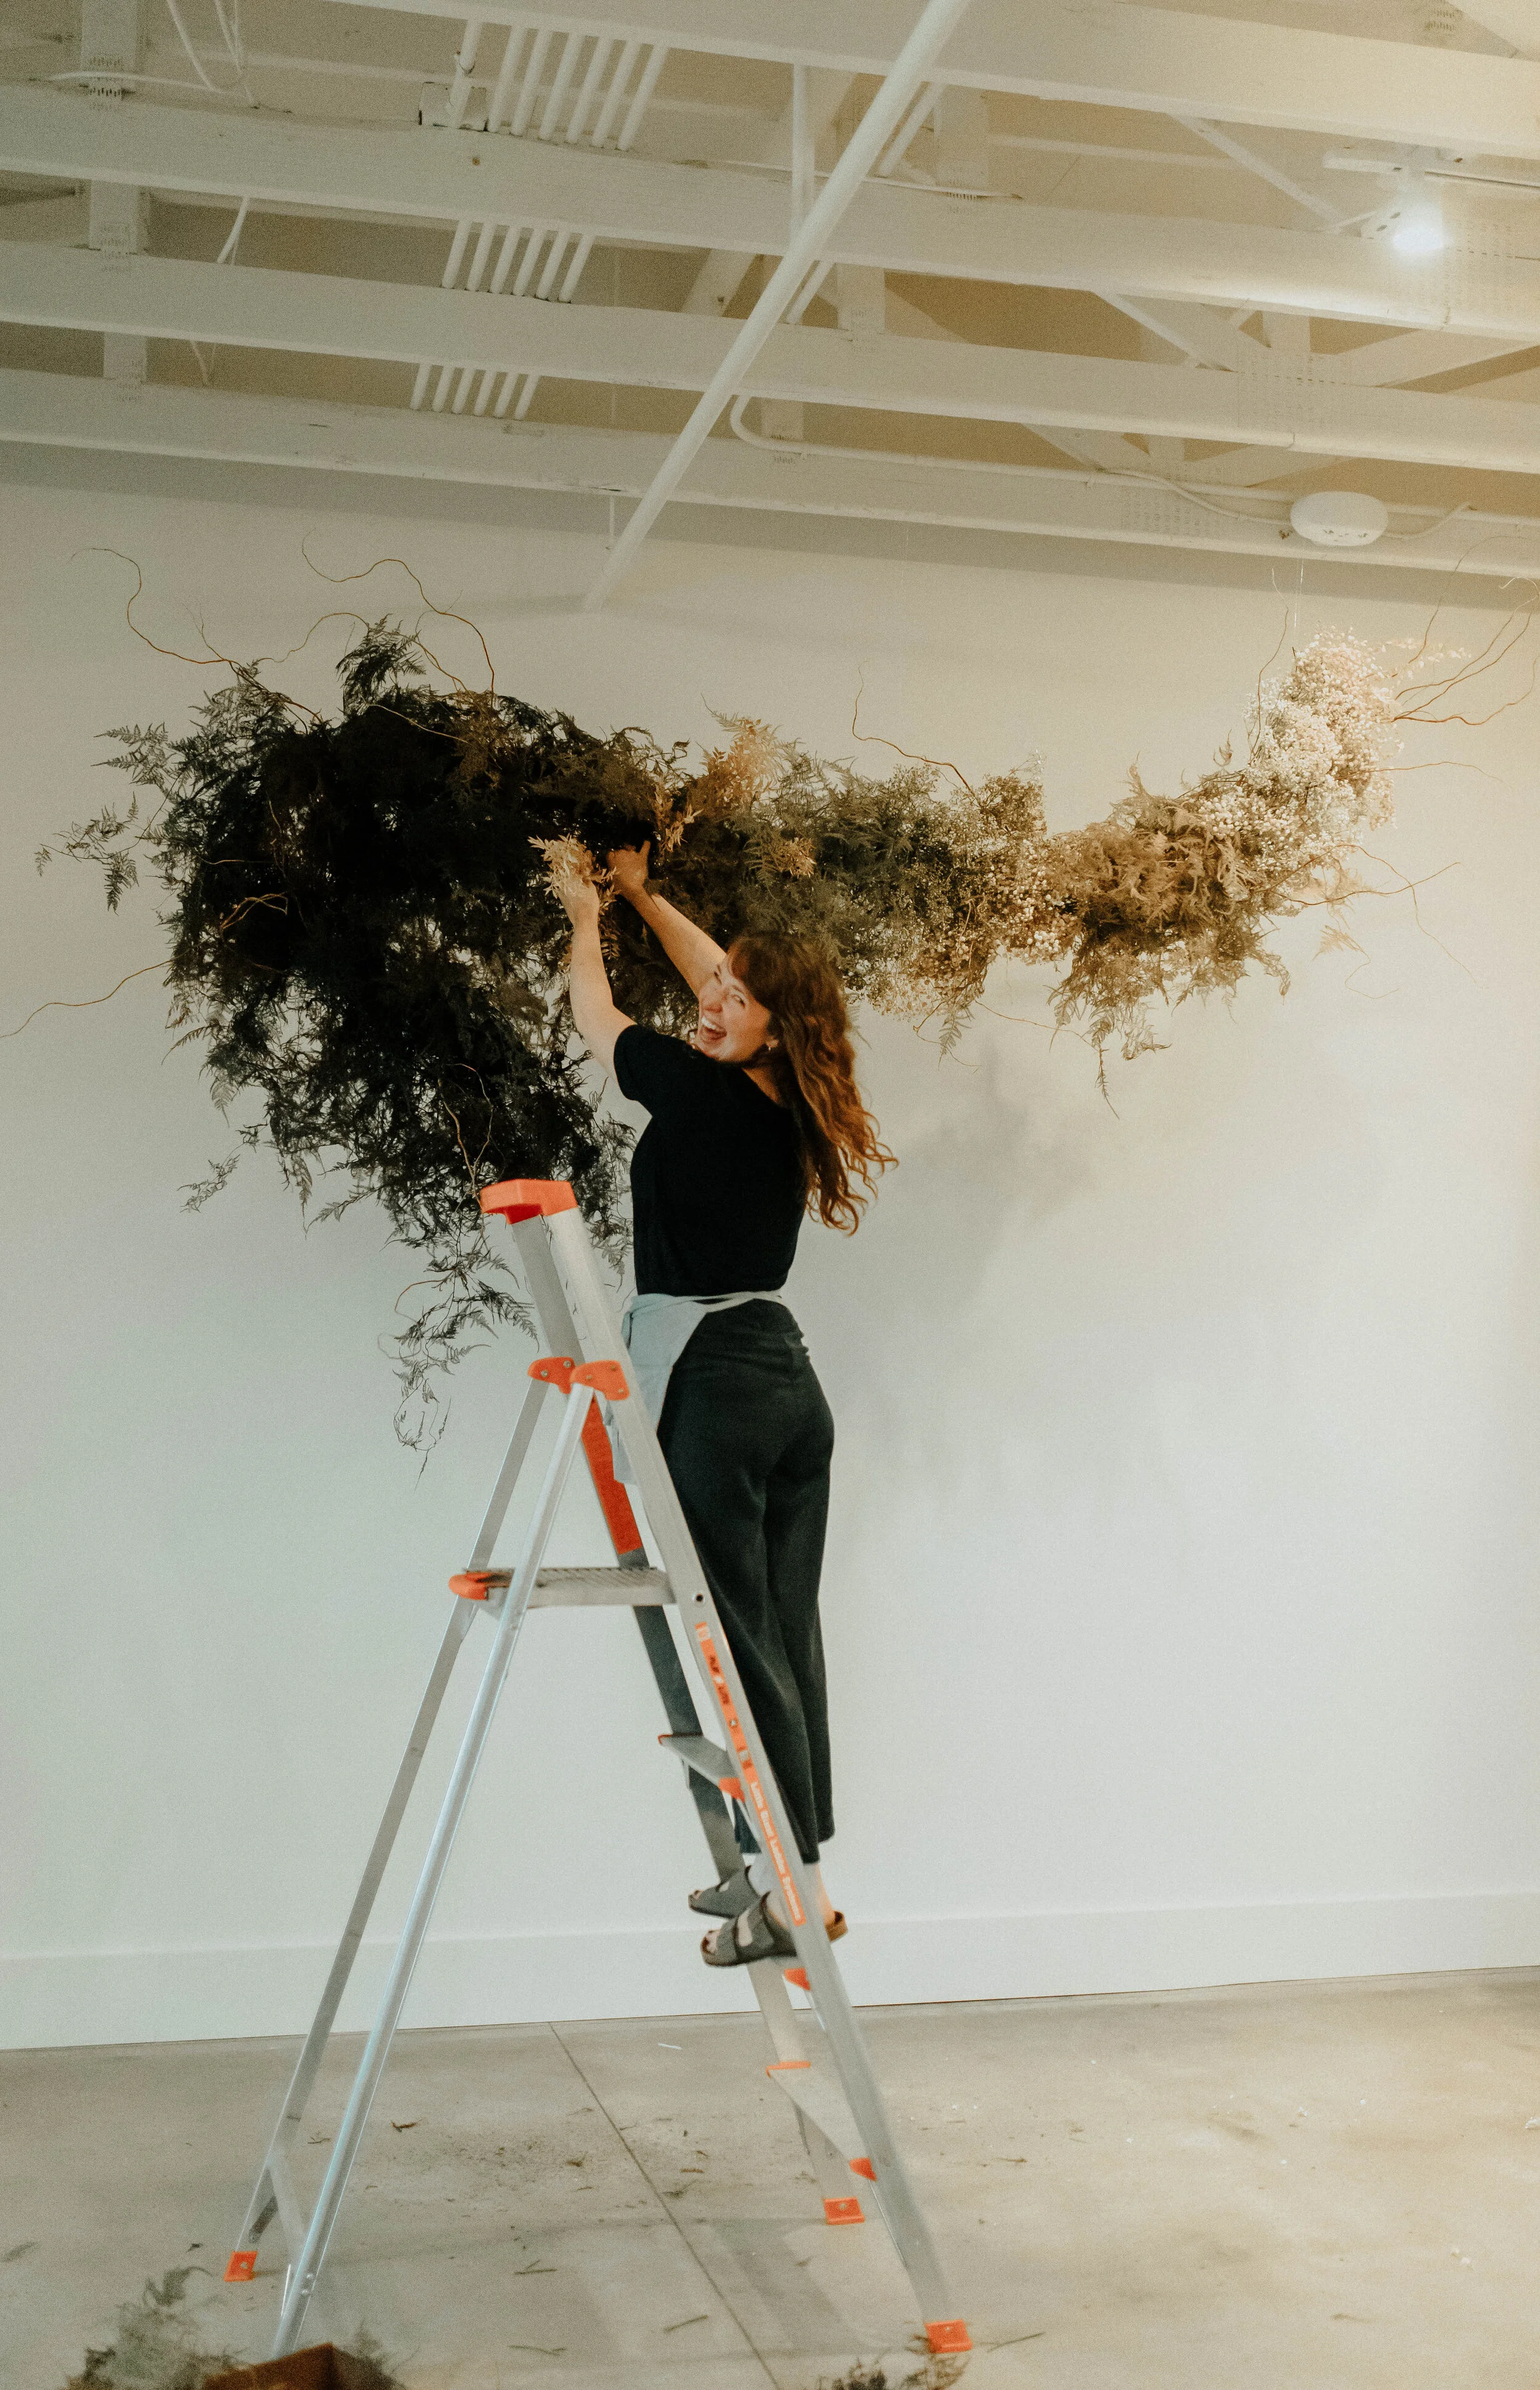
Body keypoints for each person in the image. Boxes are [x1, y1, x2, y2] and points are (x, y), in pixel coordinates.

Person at [551, 840, 892, 1966]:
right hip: (788, 1377)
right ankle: (797, 1875)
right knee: (787, 1641)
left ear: (772, 1023)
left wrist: (584, 916)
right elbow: (717, 973)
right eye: (717, 987)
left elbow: (596, 1014)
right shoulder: (789, 1089)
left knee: (742, 1648)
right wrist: (645, 891)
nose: (712, 1001)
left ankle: (788, 1886)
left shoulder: (696, 1090)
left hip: (719, 1385)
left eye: (737, 999)